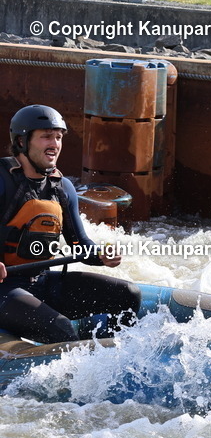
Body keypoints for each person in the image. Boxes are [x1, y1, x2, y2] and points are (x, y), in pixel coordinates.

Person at [0, 105, 141, 344]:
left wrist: (100, 256)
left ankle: (111, 361)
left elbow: (79, 243)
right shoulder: (3, 180)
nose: (54, 144)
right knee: (62, 329)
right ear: (22, 142)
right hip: (4, 289)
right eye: (46, 136)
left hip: (41, 281)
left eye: (58, 137)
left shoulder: (62, 188)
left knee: (128, 294)